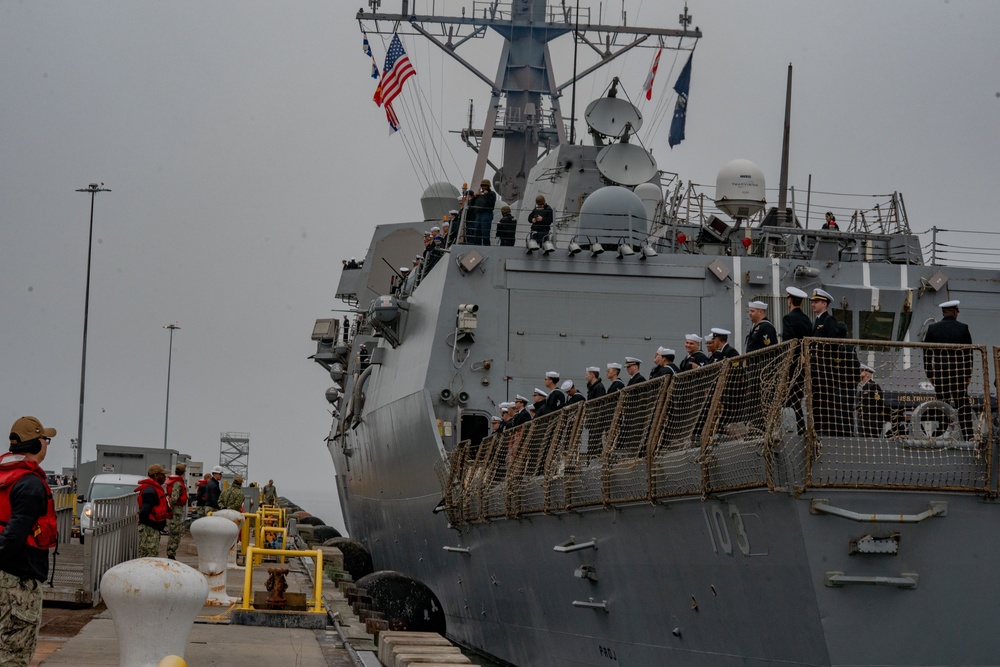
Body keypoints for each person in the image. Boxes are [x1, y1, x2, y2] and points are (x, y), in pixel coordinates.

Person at [0, 416, 58, 667]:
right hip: (17, 582)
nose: (47, 444)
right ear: (35, 445)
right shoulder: (30, 484)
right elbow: (14, 534)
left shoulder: (5, 475)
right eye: (45, 439)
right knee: (14, 654)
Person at [923, 299, 975, 439]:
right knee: (963, 405)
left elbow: (927, 353)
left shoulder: (933, 329)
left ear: (944, 312)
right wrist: (968, 374)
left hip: (940, 375)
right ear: (954, 312)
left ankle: (942, 435)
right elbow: (968, 354)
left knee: (942, 404)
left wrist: (930, 373)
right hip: (959, 375)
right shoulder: (963, 328)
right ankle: (969, 435)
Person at [809, 288, 854, 435]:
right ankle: (817, 430)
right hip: (815, 369)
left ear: (824, 304)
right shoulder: (816, 321)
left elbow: (835, 343)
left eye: (816, 302)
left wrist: (832, 362)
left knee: (824, 403)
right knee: (815, 402)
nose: (813, 304)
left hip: (825, 370)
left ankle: (825, 431)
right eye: (813, 302)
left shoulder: (829, 320)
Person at [781, 286, 813, 433]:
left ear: (789, 301)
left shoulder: (788, 318)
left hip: (793, 364)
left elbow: (789, 342)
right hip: (804, 363)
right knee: (797, 396)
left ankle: (799, 428)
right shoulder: (807, 319)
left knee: (792, 397)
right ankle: (800, 427)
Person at [136, 464, 170, 558]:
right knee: (149, 557)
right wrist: (156, 525)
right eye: (162, 474)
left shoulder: (154, 489)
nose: (165, 477)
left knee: (151, 556)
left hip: (153, 529)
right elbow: (144, 513)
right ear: (156, 475)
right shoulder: (150, 491)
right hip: (149, 530)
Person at [857, 364, 888, 437]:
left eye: (862, 371)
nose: (859, 372)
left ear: (867, 374)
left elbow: (879, 403)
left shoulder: (873, 386)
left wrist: (883, 417)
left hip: (872, 421)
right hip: (864, 421)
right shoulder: (864, 387)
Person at [164, 463, 187, 560]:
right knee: (176, 533)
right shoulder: (177, 483)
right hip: (176, 511)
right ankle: (171, 553)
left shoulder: (171, 481)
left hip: (174, 510)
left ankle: (171, 552)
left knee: (173, 532)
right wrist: (172, 507)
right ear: (183, 473)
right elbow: (174, 498)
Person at [467, 179, 497, 245]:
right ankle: (477, 246)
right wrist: (474, 196)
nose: (484, 187)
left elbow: (492, 204)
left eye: (485, 186)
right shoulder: (479, 195)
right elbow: (470, 204)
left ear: (488, 186)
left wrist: (486, 195)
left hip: (486, 214)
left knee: (485, 233)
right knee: (476, 233)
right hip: (478, 215)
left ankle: (486, 246)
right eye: (483, 186)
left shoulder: (491, 194)